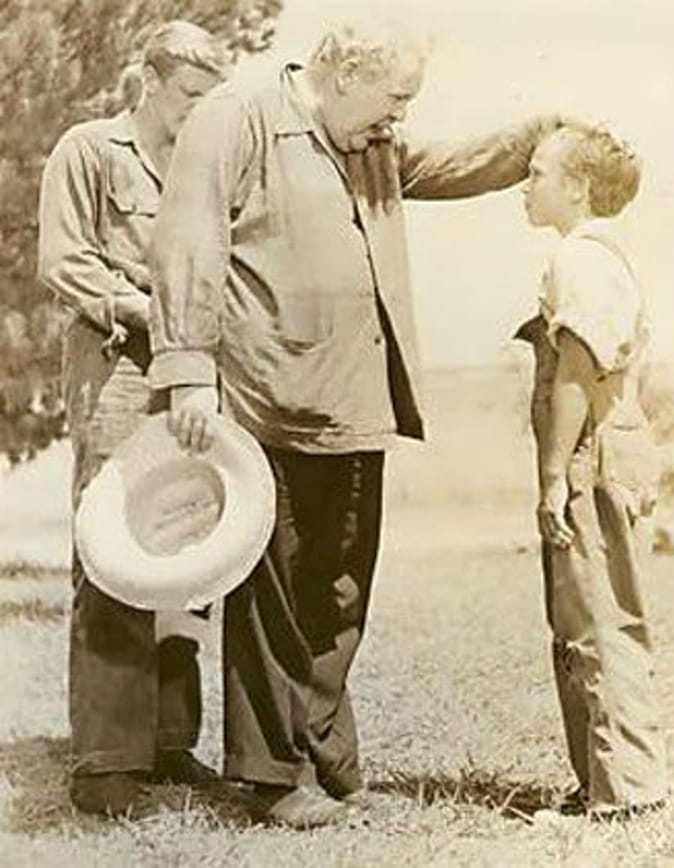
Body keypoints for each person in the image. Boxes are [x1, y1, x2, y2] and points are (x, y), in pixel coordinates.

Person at [148, 18, 564, 828]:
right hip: (265, 402)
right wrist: (190, 372)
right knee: (272, 602)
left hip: (354, 404)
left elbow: (447, 164)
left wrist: (538, 135)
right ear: (344, 76)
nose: (398, 118)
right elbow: (187, 241)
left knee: (340, 592)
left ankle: (331, 765)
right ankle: (272, 778)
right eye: (393, 98)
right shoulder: (236, 117)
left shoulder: (368, 137)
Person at [37, 21, 226, 816]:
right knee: (113, 547)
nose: (197, 111)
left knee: (184, 545)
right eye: (187, 94)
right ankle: (106, 762)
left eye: (208, 99)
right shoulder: (89, 149)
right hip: (117, 369)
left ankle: (170, 741)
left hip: (188, 376)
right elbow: (64, 261)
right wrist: (152, 310)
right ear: (148, 80)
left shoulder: (206, 165)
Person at [516, 123, 669, 818]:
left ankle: (623, 795)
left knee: (596, 622)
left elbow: (578, 369)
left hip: (594, 451)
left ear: (577, 188)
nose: (527, 184)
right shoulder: (604, 257)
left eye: (539, 173)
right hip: (619, 442)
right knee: (600, 618)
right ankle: (609, 784)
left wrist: (554, 476)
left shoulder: (578, 260)